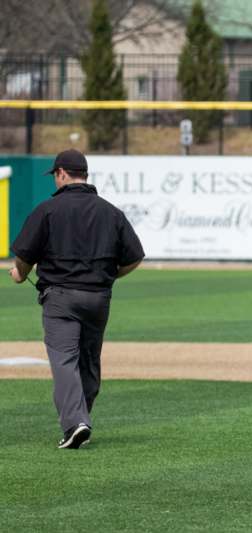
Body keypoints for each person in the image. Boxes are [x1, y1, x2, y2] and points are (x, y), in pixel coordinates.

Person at [9, 149, 144, 449]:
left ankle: (75, 422)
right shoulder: (111, 212)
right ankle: (80, 418)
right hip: (98, 298)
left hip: (60, 298)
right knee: (89, 363)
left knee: (64, 360)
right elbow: (135, 257)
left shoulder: (47, 210)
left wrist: (19, 274)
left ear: (61, 174)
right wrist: (110, 277)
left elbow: (25, 256)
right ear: (85, 175)